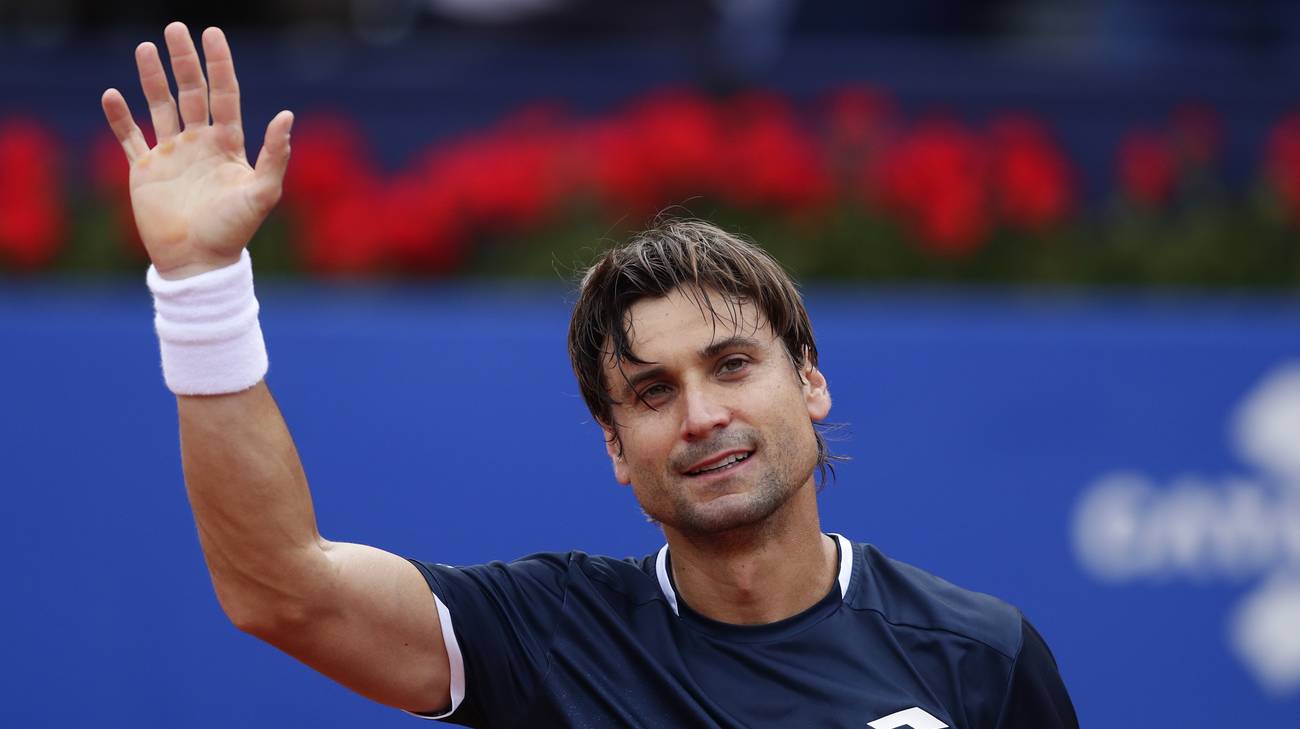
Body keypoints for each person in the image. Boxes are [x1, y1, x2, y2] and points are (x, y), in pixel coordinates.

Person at [101, 22, 1079, 728]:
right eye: (652, 392)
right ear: (615, 447)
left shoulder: (980, 660)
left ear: (810, 382)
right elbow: (281, 591)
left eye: (732, 365)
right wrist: (200, 284)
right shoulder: (553, 637)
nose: (701, 414)